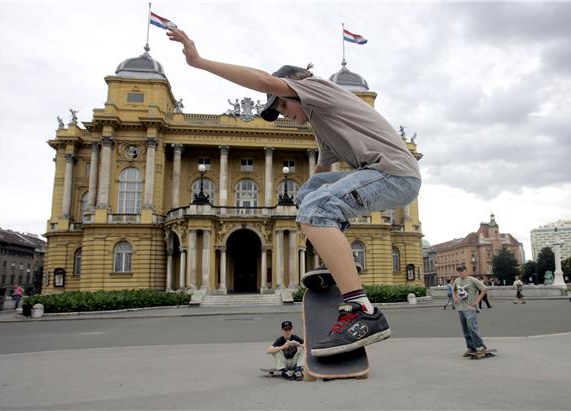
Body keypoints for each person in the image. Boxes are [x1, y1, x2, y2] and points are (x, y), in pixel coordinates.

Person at [167, 28, 421, 357]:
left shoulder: (318, 90)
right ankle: (335, 259)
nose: (286, 116)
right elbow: (321, 171)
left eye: (284, 107)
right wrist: (306, 197)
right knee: (307, 197)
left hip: (394, 175)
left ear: (295, 90)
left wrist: (199, 62)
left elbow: (263, 80)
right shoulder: (324, 123)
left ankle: (363, 310)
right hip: (385, 174)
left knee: (315, 211)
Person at [453, 265, 489, 357]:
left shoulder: (472, 280)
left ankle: (481, 347)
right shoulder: (457, 280)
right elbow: (454, 290)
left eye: (462, 270)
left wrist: (477, 301)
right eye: (459, 271)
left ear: (466, 271)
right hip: (460, 308)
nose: (460, 272)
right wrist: (455, 297)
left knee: (472, 327)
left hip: (470, 308)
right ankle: (471, 347)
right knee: (465, 329)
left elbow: (484, 289)